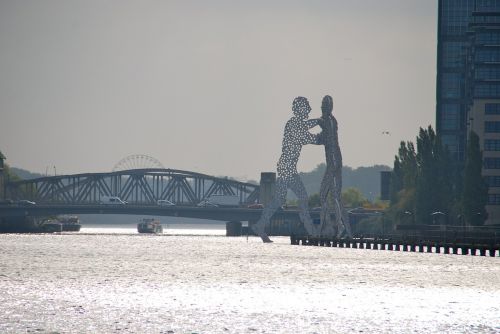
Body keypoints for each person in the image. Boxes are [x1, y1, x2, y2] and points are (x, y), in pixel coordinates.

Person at [252, 96, 321, 243]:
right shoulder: (293, 124)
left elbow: (308, 134)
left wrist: (320, 125)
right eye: (306, 107)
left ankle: (260, 225)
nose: (309, 109)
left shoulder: (297, 125)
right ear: (300, 109)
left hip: (286, 167)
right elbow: (310, 137)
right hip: (287, 168)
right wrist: (321, 122)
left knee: (279, 200)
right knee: (302, 197)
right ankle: (310, 229)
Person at [317, 95, 352, 238]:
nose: (321, 107)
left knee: (322, 195)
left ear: (325, 107)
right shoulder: (334, 121)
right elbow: (327, 137)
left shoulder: (323, 120)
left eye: (322, 105)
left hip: (332, 162)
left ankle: (332, 226)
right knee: (335, 196)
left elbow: (321, 137)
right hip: (338, 159)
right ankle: (337, 227)